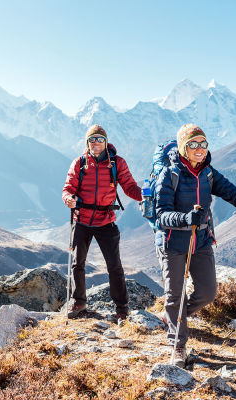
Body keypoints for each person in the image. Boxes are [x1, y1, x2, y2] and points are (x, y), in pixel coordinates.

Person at [154, 123, 236, 367]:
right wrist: (185, 219)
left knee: (208, 292)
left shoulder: (208, 174)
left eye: (203, 144)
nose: (199, 149)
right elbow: (161, 214)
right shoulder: (169, 175)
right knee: (175, 295)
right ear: (184, 147)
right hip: (174, 243)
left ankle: (173, 316)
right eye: (193, 144)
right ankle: (178, 345)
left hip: (201, 241)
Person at [62, 124, 142, 322]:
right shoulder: (79, 163)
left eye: (99, 139)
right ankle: (79, 301)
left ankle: (122, 308)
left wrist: (145, 196)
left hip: (106, 220)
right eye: (92, 139)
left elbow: (129, 186)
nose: (95, 143)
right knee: (77, 264)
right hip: (81, 219)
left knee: (114, 266)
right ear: (87, 142)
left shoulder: (117, 163)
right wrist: (68, 198)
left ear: (106, 142)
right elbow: (68, 187)